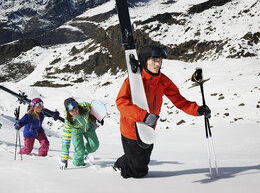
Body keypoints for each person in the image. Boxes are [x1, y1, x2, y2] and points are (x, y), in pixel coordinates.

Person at [114, 45, 211, 178]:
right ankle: (120, 165)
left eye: (160, 60)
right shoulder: (134, 80)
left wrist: (198, 110)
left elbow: (179, 100)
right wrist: (143, 116)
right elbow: (121, 102)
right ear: (144, 61)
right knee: (138, 171)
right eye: (154, 60)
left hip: (149, 128)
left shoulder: (163, 81)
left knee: (143, 161)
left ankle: (129, 158)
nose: (158, 64)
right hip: (131, 129)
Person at [58, 97, 100, 170]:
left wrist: (98, 119)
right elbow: (65, 140)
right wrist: (64, 159)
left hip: (88, 127)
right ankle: (78, 164)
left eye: (76, 109)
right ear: (68, 111)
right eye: (72, 111)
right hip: (76, 131)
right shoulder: (68, 121)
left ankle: (83, 153)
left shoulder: (85, 106)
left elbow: (95, 111)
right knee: (80, 150)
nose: (75, 112)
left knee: (94, 146)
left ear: (78, 106)